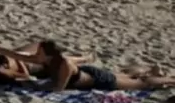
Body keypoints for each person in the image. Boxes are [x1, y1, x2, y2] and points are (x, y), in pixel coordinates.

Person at [37, 40, 175, 91]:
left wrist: (36, 86)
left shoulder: (64, 65)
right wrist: (86, 57)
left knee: (140, 83)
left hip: (99, 80)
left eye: (40, 52)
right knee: (126, 74)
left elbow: (59, 88)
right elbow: (78, 60)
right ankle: (150, 69)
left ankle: (170, 80)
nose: (37, 54)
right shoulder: (59, 59)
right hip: (89, 72)